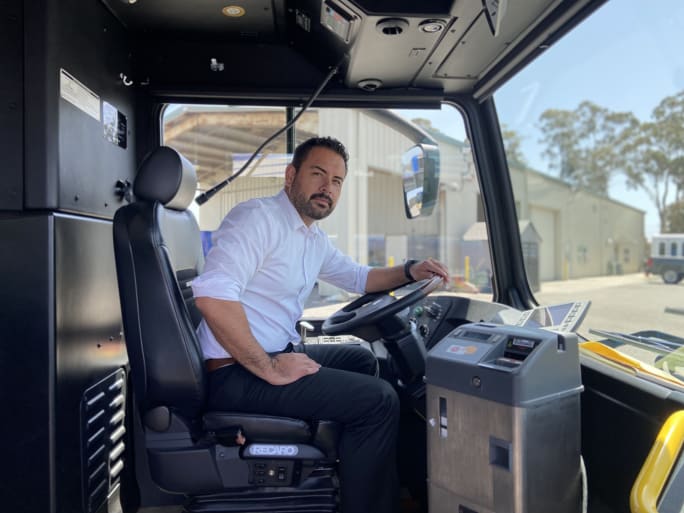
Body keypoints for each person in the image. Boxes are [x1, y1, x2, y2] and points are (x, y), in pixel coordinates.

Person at [192, 136, 449, 513]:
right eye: (318, 174)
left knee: (363, 360)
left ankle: (363, 476)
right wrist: (270, 367)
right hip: (235, 372)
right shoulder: (258, 219)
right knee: (378, 400)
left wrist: (411, 270)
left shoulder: (311, 237)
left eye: (337, 180)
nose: (328, 187)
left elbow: (359, 277)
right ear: (291, 175)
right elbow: (213, 296)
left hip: (270, 354)